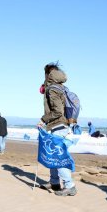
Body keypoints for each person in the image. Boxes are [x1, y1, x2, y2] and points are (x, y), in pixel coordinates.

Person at [37, 62, 77, 196]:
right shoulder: (60, 87)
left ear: (48, 75)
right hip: (60, 125)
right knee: (53, 155)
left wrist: (43, 120)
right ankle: (54, 182)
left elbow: (57, 112)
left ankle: (69, 186)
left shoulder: (52, 89)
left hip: (58, 125)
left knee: (58, 157)